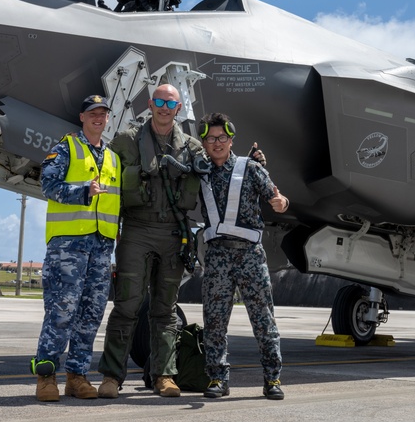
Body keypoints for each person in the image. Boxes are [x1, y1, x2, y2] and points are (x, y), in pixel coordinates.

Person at [97, 83, 207, 398]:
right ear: (150, 104)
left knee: (165, 310)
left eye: (169, 102)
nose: (163, 107)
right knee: (126, 306)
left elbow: (217, 169)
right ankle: (111, 377)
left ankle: (164, 377)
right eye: (158, 101)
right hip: (136, 231)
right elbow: (103, 178)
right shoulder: (127, 143)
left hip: (173, 234)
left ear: (178, 108)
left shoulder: (191, 147)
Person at [31, 94, 121, 402]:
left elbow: (114, 203)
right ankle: (46, 377)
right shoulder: (66, 148)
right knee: (61, 311)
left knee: (90, 314)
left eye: (103, 113)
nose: (98, 117)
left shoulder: (113, 158)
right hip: (68, 246)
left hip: (100, 246)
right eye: (92, 113)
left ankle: (77, 376)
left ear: (107, 118)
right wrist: (83, 191)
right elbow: (49, 186)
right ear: (82, 117)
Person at [196, 111, 289, 400]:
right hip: (217, 256)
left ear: (231, 139)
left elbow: (278, 196)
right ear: (204, 142)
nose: (217, 143)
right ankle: (217, 379)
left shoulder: (251, 168)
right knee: (214, 321)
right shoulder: (199, 170)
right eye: (211, 139)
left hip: (250, 255)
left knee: (263, 319)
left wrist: (281, 203)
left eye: (222, 137)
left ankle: (272, 379)